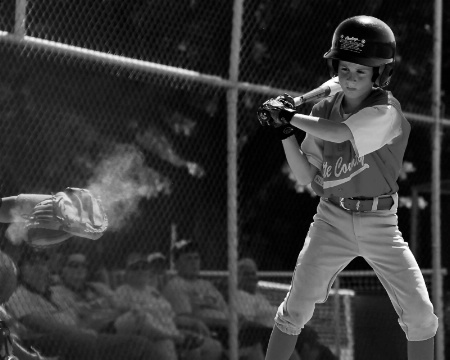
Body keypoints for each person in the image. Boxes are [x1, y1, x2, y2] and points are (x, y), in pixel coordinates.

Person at [256, 15, 438, 360]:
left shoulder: (386, 112)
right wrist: (284, 133)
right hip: (331, 218)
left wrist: (290, 115)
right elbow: (307, 177)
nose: (350, 78)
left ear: (379, 75)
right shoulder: (325, 108)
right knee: (295, 308)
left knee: (420, 315)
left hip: (380, 222)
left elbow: (340, 133)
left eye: (361, 71)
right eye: (345, 69)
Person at [5, 246, 170, 360]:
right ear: (22, 269)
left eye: (43, 263)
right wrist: (80, 332)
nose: (40, 267)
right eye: (33, 263)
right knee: (135, 342)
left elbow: (83, 315)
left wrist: (91, 325)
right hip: (62, 344)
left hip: (88, 335)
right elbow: (41, 325)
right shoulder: (19, 295)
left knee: (141, 344)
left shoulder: (57, 293)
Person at [162, 240, 265, 360]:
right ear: (176, 264)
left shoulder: (206, 285)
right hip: (210, 330)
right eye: (188, 259)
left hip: (228, 327)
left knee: (269, 333)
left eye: (196, 258)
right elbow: (187, 319)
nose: (194, 263)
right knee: (260, 338)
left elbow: (225, 310)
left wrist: (236, 317)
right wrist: (226, 323)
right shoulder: (176, 285)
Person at [113, 252, 223, 360]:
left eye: (144, 267)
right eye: (135, 268)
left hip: (172, 330)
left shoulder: (153, 291)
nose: (140, 271)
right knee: (167, 344)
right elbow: (129, 315)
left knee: (214, 347)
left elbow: (173, 317)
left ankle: (178, 338)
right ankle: (176, 338)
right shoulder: (123, 290)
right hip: (151, 337)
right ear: (127, 273)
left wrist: (194, 322)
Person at [50, 252, 126, 334]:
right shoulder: (56, 292)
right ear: (63, 270)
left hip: (118, 324)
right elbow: (76, 322)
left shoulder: (99, 287)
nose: (80, 268)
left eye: (84, 265)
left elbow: (122, 306)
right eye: (74, 265)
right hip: (92, 335)